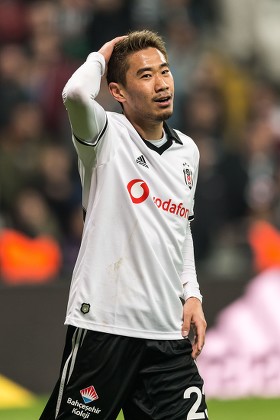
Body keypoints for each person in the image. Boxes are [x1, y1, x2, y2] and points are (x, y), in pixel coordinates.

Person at [40, 29, 208, 420]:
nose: (161, 83)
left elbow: (181, 230)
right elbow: (75, 94)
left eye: (164, 72)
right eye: (145, 76)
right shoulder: (104, 135)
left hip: (167, 335)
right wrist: (101, 55)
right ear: (117, 91)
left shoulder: (188, 152)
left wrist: (193, 294)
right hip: (105, 327)